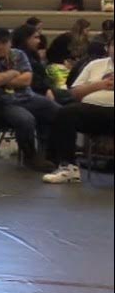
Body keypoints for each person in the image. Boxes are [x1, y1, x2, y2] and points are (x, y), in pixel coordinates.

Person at [0, 27, 58, 171]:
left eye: (4, 42)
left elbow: (27, 80)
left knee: (55, 110)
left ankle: (48, 152)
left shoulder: (19, 54)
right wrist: (13, 73)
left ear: (10, 42)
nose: (0, 46)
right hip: (2, 102)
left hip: (27, 97)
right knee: (25, 119)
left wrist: (1, 78)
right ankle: (30, 157)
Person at [43, 36, 113, 183]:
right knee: (66, 113)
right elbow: (74, 93)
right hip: (92, 110)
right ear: (108, 47)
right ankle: (68, 167)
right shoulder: (95, 65)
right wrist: (98, 85)